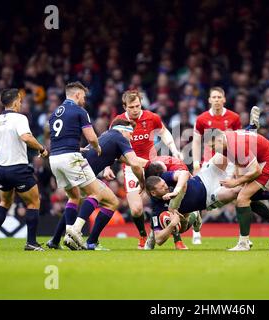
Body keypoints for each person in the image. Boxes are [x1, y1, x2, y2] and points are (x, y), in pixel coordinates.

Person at [144, 154, 269, 249]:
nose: (165, 187)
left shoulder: (163, 177)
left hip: (205, 176)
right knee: (240, 193)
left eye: (165, 185)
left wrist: (175, 191)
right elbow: (159, 239)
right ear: (153, 193)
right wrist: (171, 224)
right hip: (210, 197)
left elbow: (184, 174)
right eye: (162, 188)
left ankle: (249, 130)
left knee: (224, 151)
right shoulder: (157, 208)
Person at [104, 89, 186, 249]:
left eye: (138, 106)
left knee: (167, 199)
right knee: (136, 210)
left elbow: (164, 132)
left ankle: (178, 239)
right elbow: (109, 144)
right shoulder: (118, 122)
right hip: (131, 167)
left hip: (152, 166)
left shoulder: (151, 117)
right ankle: (143, 235)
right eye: (132, 107)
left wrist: (174, 149)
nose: (135, 110)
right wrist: (107, 166)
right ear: (124, 106)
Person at [46, 118, 144, 250]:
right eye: (130, 133)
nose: (131, 136)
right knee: (111, 201)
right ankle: (85, 237)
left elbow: (122, 158)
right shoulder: (119, 137)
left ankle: (56, 240)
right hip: (82, 169)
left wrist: (150, 163)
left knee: (74, 198)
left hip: (71, 165)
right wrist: (144, 178)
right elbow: (134, 162)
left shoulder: (106, 136)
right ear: (122, 129)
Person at [48, 81, 119, 250]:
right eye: (84, 96)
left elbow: (59, 138)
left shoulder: (54, 114)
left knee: (73, 196)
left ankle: (68, 237)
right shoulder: (80, 111)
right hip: (70, 158)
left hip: (55, 159)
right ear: (77, 95)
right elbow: (91, 137)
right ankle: (75, 231)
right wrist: (97, 147)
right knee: (96, 193)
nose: (84, 100)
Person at [0, 88, 48, 251]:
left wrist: (4, 151)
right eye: (20, 100)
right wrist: (41, 149)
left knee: (5, 202)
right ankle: (31, 242)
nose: (21, 103)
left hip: (2, 171)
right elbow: (26, 137)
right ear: (14, 101)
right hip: (18, 169)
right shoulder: (20, 118)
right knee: (33, 202)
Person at [206, 130, 269, 251]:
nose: (214, 150)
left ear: (220, 140)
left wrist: (236, 182)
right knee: (247, 197)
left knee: (242, 198)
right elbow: (238, 162)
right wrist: (236, 180)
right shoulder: (226, 142)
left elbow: (256, 170)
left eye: (214, 146)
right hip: (263, 160)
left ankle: (244, 243)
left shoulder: (235, 145)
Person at [191, 87, 241, 244]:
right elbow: (196, 141)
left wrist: (239, 167)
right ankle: (196, 232)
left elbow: (238, 141)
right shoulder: (202, 119)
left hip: (230, 163)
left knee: (238, 195)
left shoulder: (234, 117)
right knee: (198, 195)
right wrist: (196, 163)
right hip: (209, 163)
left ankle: (243, 236)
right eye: (214, 97)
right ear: (209, 100)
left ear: (224, 99)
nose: (217, 99)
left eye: (220, 96)